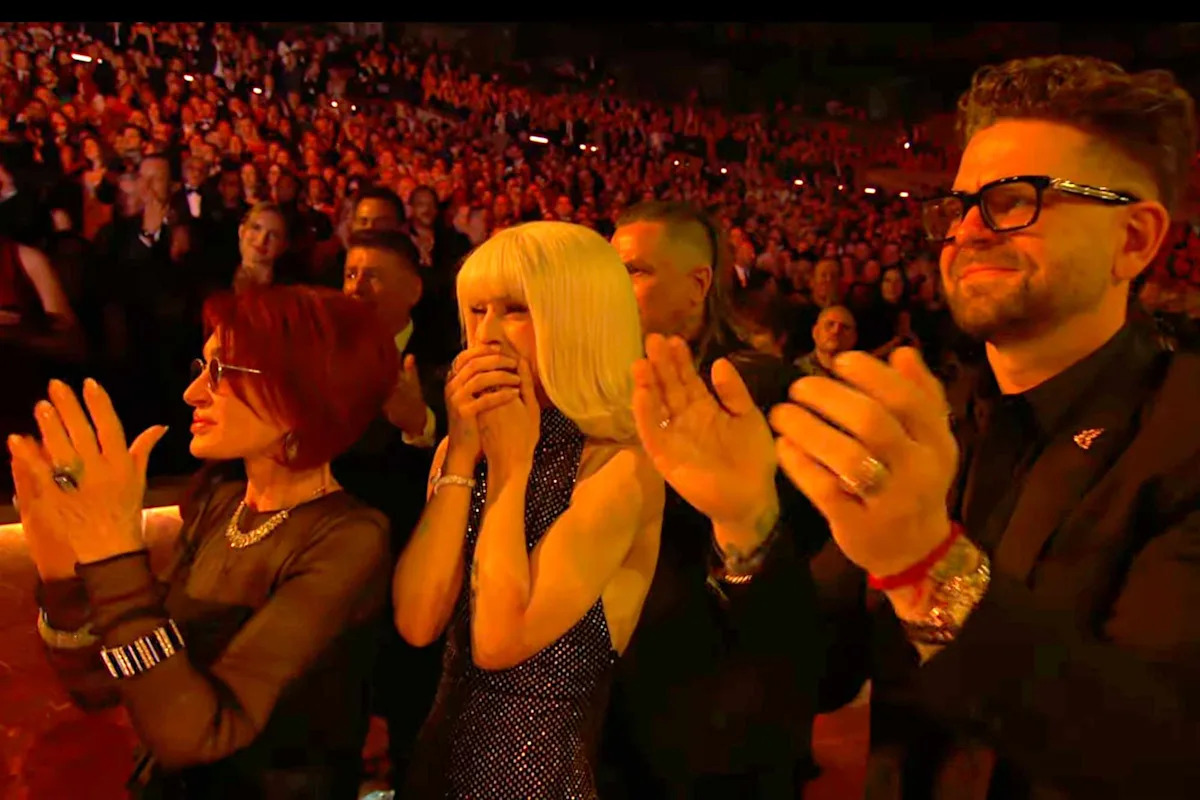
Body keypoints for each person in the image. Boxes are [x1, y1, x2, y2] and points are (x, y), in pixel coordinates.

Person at [766, 55, 1200, 798]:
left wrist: (925, 566)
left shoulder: (1184, 436)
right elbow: (809, 671)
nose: (966, 231)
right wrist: (742, 526)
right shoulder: (937, 419)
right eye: (963, 204)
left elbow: (1160, 753)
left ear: (1134, 240)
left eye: (1014, 200)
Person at [10, 285, 400, 797]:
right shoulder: (221, 503)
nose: (194, 392)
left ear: (303, 391)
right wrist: (61, 571)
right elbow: (106, 684)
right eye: (203, 367)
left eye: (222, 372)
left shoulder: (348, 537)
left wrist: (113, 552)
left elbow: (197, 734)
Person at [394, 221, 664, 799]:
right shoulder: (465, 446)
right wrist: (464, 450)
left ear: (581, 319)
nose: (486, 334)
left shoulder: (622, 467)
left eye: (515, 310)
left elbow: (498, 641)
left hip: (536, 778)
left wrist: (511, 469)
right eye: (476, 311)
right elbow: (417, 621)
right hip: (436, 765)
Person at [604, 201, 847, 798]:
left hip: (717, 739)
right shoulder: (599, 389)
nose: (610, 288)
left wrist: (738, 524)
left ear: (698, 284)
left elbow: (805, 590)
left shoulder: (766, 395)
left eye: (633, 271)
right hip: (611, 723)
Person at [335, 228, 449, 783]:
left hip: (410, 566)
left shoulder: (447, 358)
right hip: (332, 574)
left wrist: (420, 425)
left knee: (411, 711)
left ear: (414, 289)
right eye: (351, 273)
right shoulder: (320, 352)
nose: (357, 287)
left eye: (373, 275)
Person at [795, 305, 858, 378]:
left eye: (845, 327)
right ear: (815, 331)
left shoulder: (862, 375)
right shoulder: (796, 371)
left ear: (854, 337)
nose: (836, 331)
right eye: (830, 324)